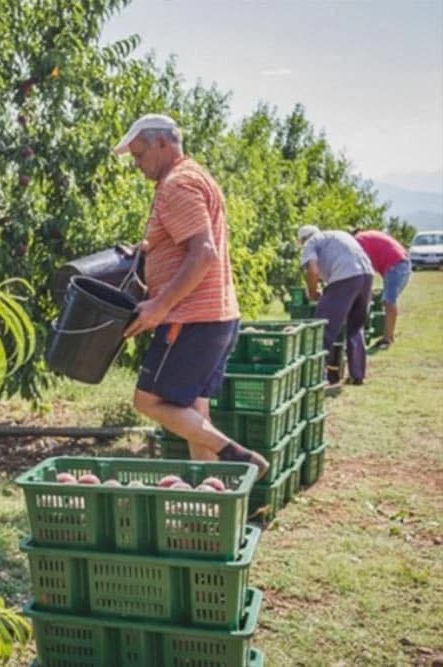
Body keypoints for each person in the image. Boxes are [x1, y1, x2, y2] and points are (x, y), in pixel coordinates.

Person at [115, 113, 268, 477]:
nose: (136, 165)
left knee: (148, 400)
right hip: (217, 315)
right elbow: (191, 243)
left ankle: (238, 455)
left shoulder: (177, 186)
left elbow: (204, 253)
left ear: (162, 144)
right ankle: (211, 499)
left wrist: (159, 305)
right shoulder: (195, 177)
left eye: (139, 155)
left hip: (190, 318)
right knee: (195, 414)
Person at [297, 225, 374, 385]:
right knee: (356, 326)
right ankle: (357, 374)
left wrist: (312, 292)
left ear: (302, 239)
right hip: (367, 275)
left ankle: (314, 376)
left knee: (322, 327)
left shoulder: (310, 243)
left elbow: (312, 271)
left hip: (344, 277)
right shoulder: (337, 234)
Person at [352, 229, 411, 348]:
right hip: (399, 263)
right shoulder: (365, 238)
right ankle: (388, 335)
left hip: (396, 264)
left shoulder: (358, 241)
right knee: (387, 301)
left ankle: (388, 338)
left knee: (389, 302)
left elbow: (365, 268)